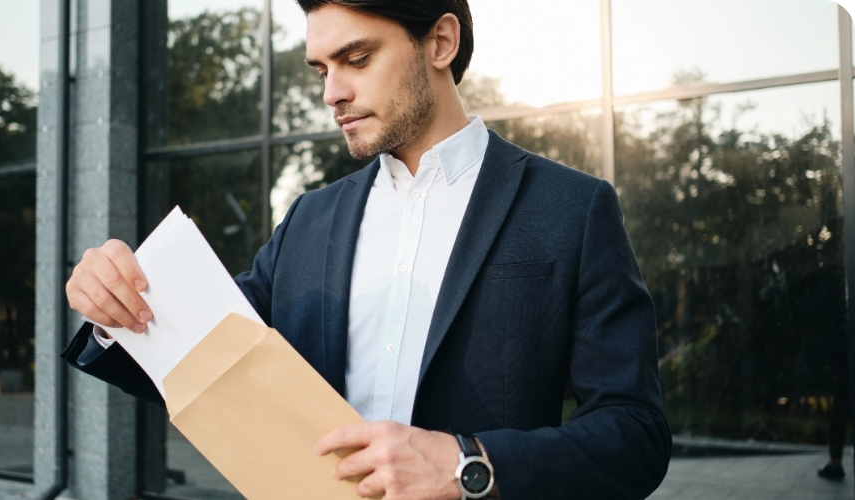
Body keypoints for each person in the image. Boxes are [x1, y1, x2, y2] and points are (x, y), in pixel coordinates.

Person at [62, 1, 672, 498]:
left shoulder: (571, 208)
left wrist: (465, 466)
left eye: (355, 58)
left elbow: (635, 434)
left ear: (440, 42)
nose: (332, 92)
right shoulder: (308, 218)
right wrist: (114, 304)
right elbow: (209, 351)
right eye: (320, 70)